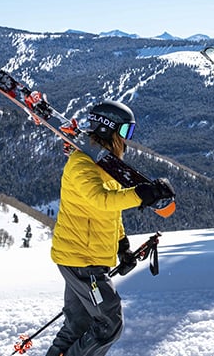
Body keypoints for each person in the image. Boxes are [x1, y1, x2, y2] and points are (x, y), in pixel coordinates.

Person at [45, 100, 175, 356]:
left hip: (83, 258)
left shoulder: (106, 168)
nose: (126, 140)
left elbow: (110, 213)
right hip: (81, 261)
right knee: (109, 323)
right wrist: (141, 194)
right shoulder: (81, 164)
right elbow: (101, 200)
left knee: (78, 324)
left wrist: (122, 246)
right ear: (108, 129)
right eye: (125, 132)